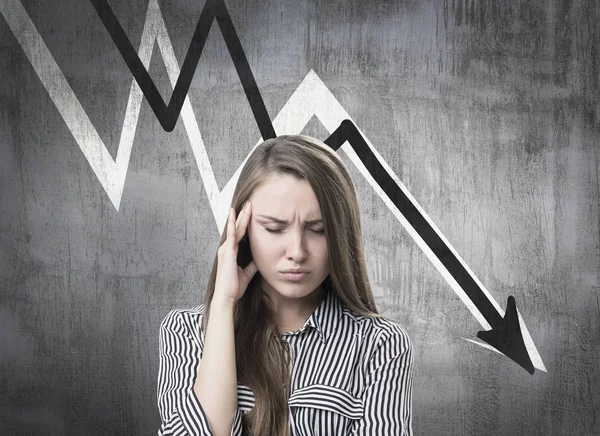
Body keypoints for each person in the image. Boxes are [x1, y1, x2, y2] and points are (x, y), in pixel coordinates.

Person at [157, 135, 413, 436]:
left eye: (318, 230)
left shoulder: (380, 345)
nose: (297, 251)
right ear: (242, 230)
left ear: (340, 236)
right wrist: (224, 304)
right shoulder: (184, 332)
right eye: (275, 228)